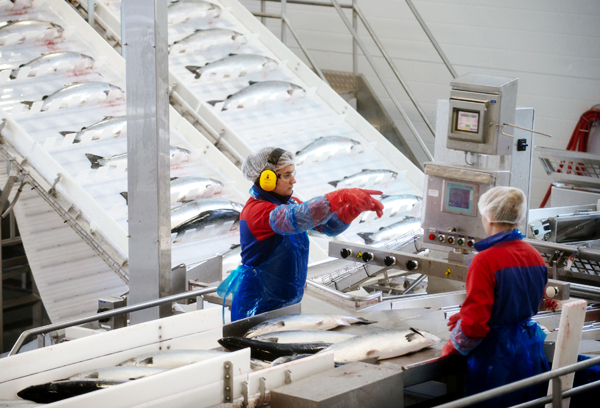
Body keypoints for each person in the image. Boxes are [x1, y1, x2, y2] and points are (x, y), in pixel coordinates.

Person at [218, 147, 384, 321]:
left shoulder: (290, 203)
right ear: (268, 179)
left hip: (288, 304)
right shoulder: (257, 211)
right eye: (287, 175)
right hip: (256, 309)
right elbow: (296, 218)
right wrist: (340, 197)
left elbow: (327, 226)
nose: (294, 180)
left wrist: (352, 210)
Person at [440, 186, 549, 407]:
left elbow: (475, 326)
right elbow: (532, 302)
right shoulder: (534, 255)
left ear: (488, 216)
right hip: (529, 348)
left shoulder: (484, 260)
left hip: (496, 358)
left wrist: (453, 347)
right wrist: (465, 314)